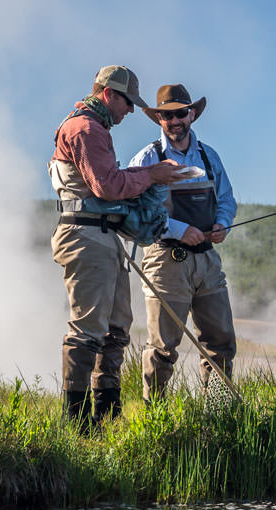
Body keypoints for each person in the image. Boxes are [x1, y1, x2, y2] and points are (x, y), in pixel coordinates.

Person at [49, 65, 186, 429]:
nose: (129, 110)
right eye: (128, 102)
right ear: (108, 94)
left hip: (103, 237)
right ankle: (75, 425)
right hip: (86, 236)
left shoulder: (95, 129)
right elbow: (107, 187)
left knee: (116, 328)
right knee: (88, 329)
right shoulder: (85, 128)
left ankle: (106, 416)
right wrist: (153, 176)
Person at [126, 84, 238, 401]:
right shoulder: (148, 157)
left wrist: (222, 224)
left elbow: (227, 200)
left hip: (207, 258)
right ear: (159, 118)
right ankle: (154, 416)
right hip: (165, 259)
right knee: (163, 347)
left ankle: (217, 410)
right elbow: (135, 210)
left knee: (221, 342)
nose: (174, 121)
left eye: (180, 114)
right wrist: (178, 229)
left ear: (191, 114)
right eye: (167, 115)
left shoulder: (209, 155)